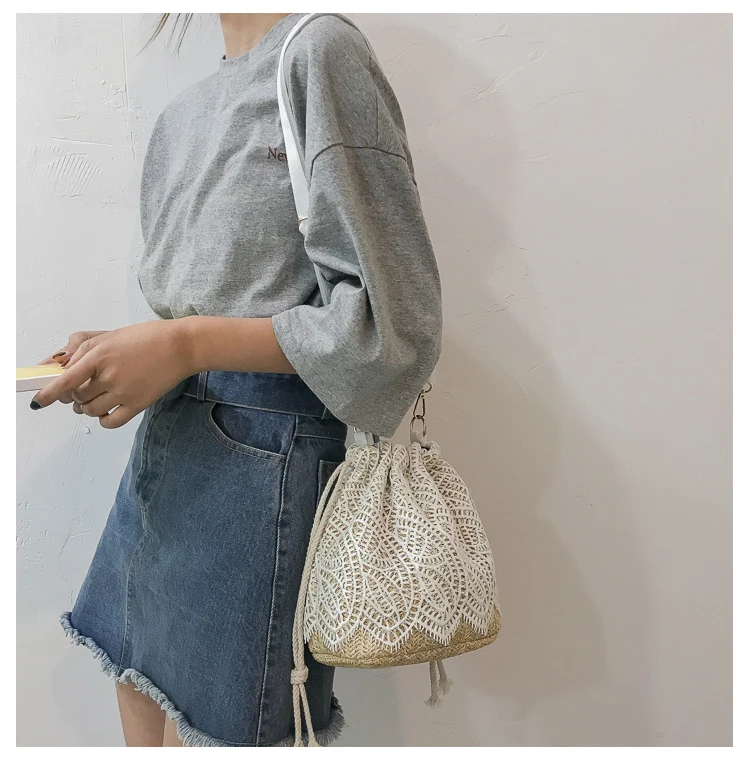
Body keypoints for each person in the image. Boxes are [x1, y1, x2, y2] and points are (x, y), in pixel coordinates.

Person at [34, 12, 442, 747]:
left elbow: (395, 326)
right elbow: (213, 298)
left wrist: (185, 342)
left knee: (235, 726)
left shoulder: (319, 53)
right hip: (170, 441)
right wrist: (132, 348)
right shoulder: (181, 114)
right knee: (136, 668)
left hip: (267, 456)